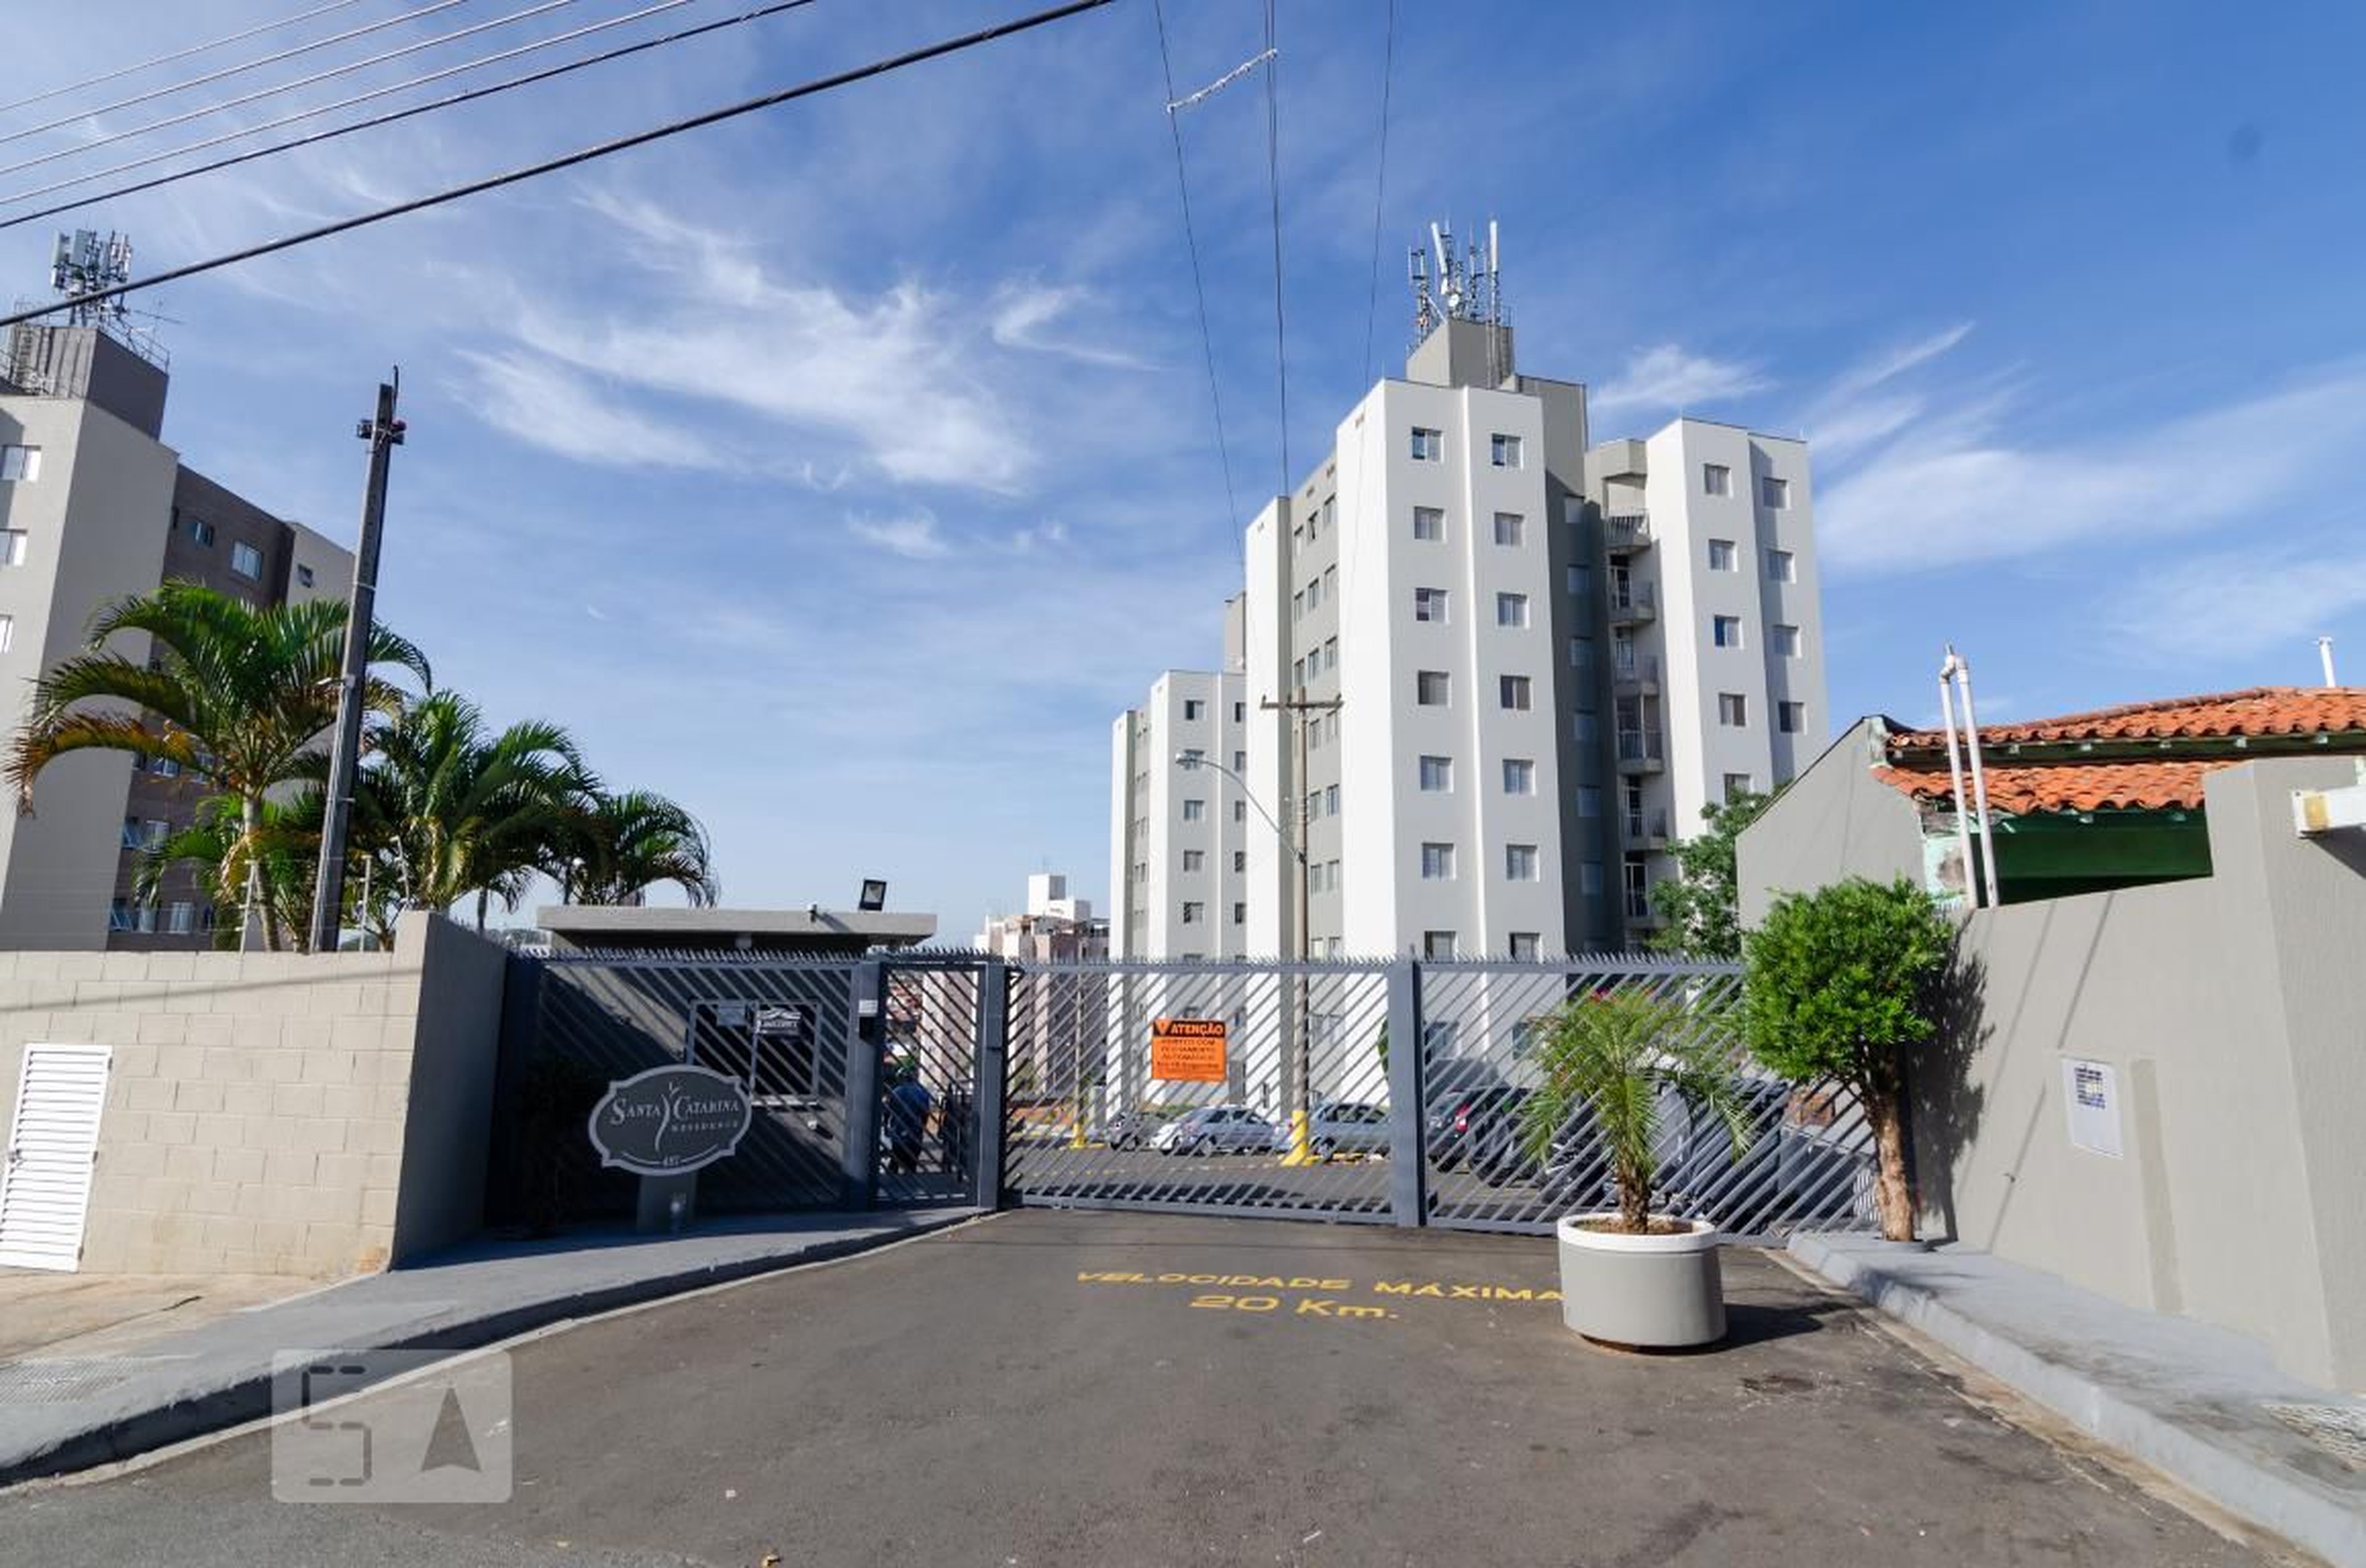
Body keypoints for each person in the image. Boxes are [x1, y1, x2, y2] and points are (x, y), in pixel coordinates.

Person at [884, 1060, 933, 1175]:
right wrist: (922, 1127)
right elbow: (925, 1114)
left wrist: (886, 1126)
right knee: (911, 1166)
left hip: (898, 1132)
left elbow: (887, 1112)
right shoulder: (922, 1093)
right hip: (915, 1133)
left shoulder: (896, 1092)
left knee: (894, 1163)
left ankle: (892, 1182)